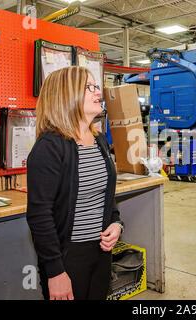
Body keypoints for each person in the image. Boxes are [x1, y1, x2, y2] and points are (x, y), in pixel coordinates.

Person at [26, 66, 124, 300]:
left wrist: (116, 223)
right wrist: (55, 271)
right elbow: (40, 215)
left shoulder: (99, 140)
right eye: (88, 87)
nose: (97, 92)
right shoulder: (49, 147)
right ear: (65, 96)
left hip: (101, 253)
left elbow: (106, 195)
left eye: (96, 86)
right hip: (68, 258)